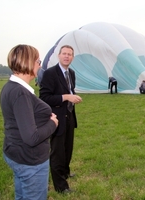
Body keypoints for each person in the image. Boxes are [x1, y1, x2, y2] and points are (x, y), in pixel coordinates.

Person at [0, 44, 59, 199]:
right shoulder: (20, 93)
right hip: (30, 160)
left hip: (17, 154)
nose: (39, 64)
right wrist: (52, 124)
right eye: (38, 61)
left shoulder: (11, 87)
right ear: (28, 62)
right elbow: (31, 137)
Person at [39, 45, 82, 193]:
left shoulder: (72, 73)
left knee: (68, 148)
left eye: (70, 54)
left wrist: (72, 98)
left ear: (72, 57)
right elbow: (44, 97)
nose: (67, 56)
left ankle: (65, 172)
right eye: (64, 53)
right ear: (59, 55)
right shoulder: (50, 73)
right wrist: (66, 97)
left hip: (69, 115)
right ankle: (61, 187)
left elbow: (70, 90)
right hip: (56, 118)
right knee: (57, 152)